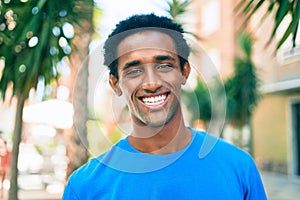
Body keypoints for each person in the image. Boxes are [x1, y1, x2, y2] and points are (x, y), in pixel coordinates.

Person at [62, 14, 267, 199]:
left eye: (165, 66)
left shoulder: (239, 168)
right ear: (115, 84)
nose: (151, 83)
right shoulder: (85, 188)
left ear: (184, 72)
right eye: (134, 70)